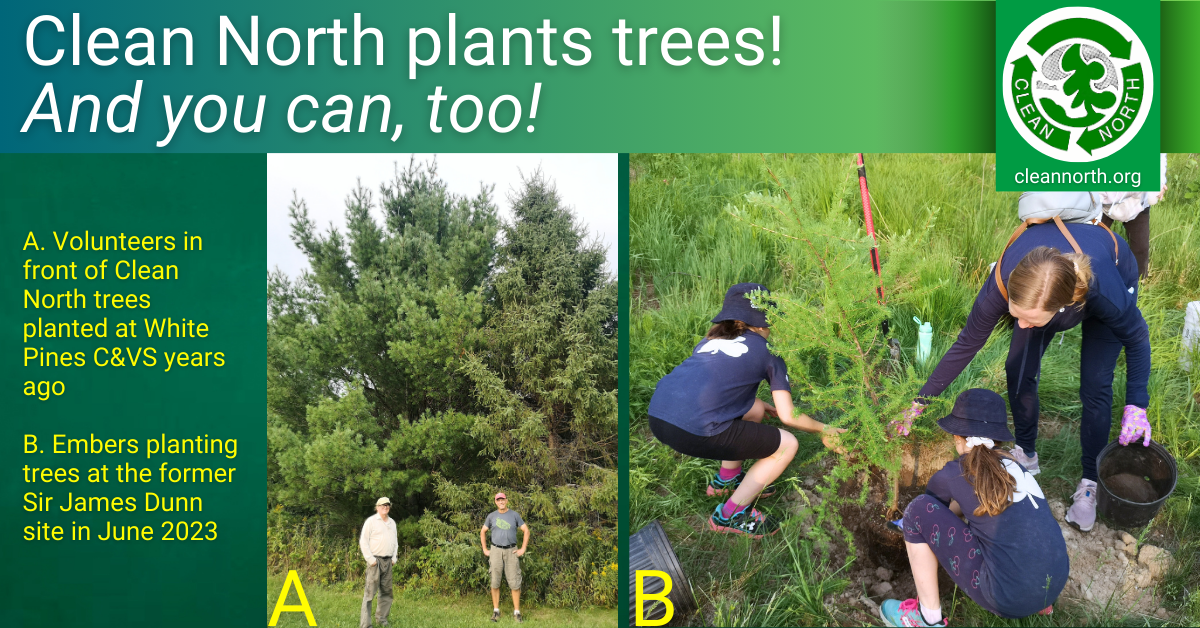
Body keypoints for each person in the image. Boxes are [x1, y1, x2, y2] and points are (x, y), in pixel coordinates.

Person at [893, 217, 1152, 533]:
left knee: (1095, 384)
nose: (1023, 326)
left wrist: (1137, 403)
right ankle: (1027, 453)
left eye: (1032, 320)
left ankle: (1089, 482)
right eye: (1017, 317)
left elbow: (1137, 337)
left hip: (1110, 269)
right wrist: (918, 403)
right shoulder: (1005, 283)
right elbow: (965, 345)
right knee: (1018, 368)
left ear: (1061, 308)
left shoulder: (1103, 291)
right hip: (1042, 288)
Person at [646, 282, 845, 538]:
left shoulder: (708, 342)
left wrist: (757, 404)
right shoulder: (768, 351)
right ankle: (730, 515)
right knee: (787, 445)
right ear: (762, 323)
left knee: (754, 409)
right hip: (697, 431)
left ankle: (725, 481)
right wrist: (823, 428)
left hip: (659, 417)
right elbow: (788, 416)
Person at [880, 389, 1068, 626]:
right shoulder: (1016, 467)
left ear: (957, 438)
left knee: (918, 509)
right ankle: (1040, 604)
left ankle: (927, 618)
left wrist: (909, 522)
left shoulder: (952, 474)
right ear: (998, 438)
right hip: (1053, 583)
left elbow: (931, 512)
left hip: (1006, 597)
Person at [1098, 153, 1169, 279]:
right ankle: (1090, 285)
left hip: (1138, 202)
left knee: (1140, 249)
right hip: (1103, 201)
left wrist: (1159, 181)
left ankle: (1139, 288)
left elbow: (1159, 157)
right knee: (1094, 244)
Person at [481, 493, 529, 623]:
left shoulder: (514, 515)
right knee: (495, 581)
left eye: (503, 499)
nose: (501, 501)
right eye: (498, 500)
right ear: (495, 502)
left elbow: (526, 530)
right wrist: (485, 549)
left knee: (514, 582)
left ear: (506, 501)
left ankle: (517, 613)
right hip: (495, 551)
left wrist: (523, 549)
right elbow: (483, 531)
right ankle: (496, 611)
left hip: (511, 551)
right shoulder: (491, 516)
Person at [359, 497, 399, 628]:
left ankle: (382, 619)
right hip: (375, 561)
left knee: (387, 592)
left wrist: (394, 559)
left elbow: (395, 543)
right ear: (377, 507)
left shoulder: (392, 523)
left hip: (388, 562)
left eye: (387, 505)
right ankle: (365, 624)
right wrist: (371, 560)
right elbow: (363, 541)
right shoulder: (371, 521)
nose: (385, 507)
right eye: (382, 505)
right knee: (370, 593)